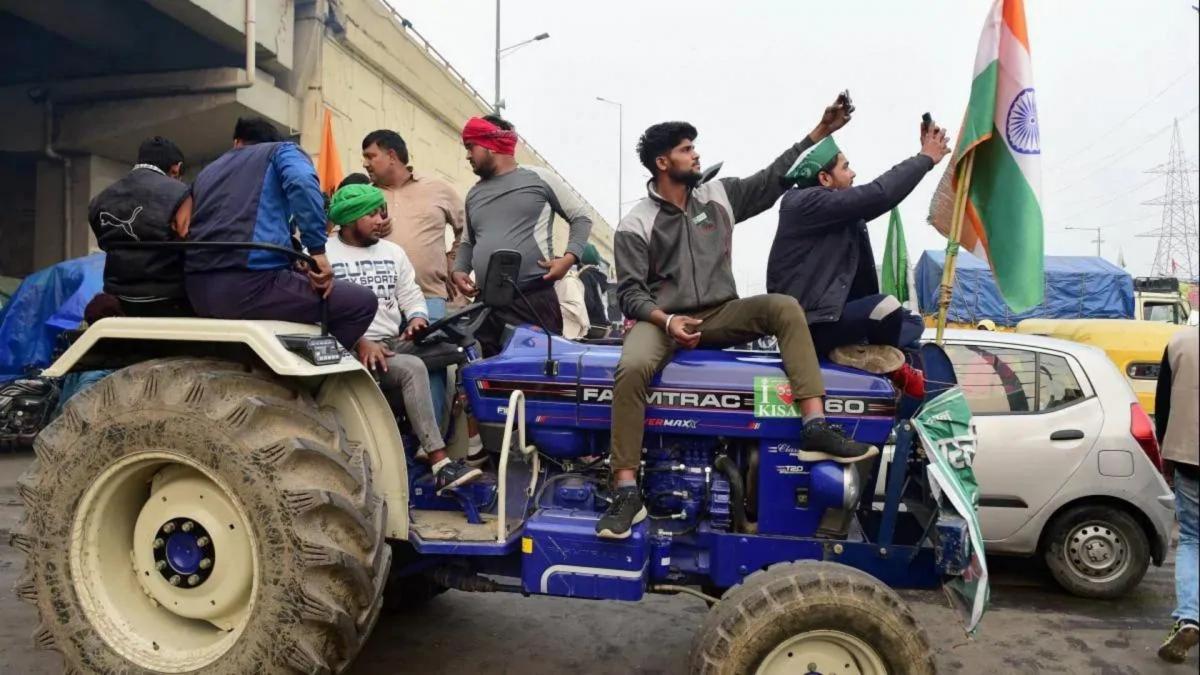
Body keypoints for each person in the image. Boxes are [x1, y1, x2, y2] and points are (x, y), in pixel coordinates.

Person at [597, 97, 879, 540]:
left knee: (782, 306)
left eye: (694, 147)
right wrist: (667, 321)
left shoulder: (719, 196)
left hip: (721, 313)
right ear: (662, 162)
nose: (696, 154)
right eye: (687, 149)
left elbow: (775, 178)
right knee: (631, 367)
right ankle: (626, 488)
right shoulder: (635, 223)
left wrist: (820, 131)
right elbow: (630, 293)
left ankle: (815, 426)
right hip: (663, 322)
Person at [765, 119, 952, 398]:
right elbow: (880, 194)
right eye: (845, 167)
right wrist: (924, 158)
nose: (853, 173)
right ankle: (885, 366)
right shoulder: (803, 203)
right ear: (824, 179)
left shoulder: (837, 213)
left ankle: (864, 354)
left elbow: (877, 196)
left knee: (914, 322)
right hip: (811, 326)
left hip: (837, 318)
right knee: (886, 307)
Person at [325, 183, 481, 492]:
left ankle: (475, 440)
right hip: (349, 351)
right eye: (371, 213)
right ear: (350, 217)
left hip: (392, 343)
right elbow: (315, 314)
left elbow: (411, 295)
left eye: (381, 211)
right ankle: (439, 462)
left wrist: (417, 319)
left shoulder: (393, 252)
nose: (381, 219)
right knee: (412, 368)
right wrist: (358, 342)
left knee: (468, 346)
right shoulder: (323, 254)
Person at [184, 117, 376, 350]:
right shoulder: (282, 151)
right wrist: (316, 251)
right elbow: (303, 183)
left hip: (196, 290)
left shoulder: (208, 171)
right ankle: (312, 381)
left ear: (237, 143)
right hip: (251, 285)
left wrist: (293, 256)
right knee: (361, 303)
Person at [451, 115, 592, 356]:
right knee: (488, 380)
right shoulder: (473, 194)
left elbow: (582, 217)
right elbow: (468, 242)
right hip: (486, 304)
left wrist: (568, 259)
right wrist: (459, 270)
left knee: (535, 377)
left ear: (490, 145)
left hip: (532, 299)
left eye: (470, 147)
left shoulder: (540, 178)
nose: (467, 156)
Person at [362, 130, 464, 431]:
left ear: (391, 155)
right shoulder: (368, 196)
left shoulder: (437, 189)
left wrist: (453, 263)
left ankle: (432, 448)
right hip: (379, 304)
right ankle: (393, 442)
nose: (366, 163)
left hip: (429, 296)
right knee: (383, 369)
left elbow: (466, 230)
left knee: (431, 370)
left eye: (371, 156)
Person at [87, 136, 194, 317]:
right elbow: (188, 234)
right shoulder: (180, 192)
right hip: (168, 299)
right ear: (176, 168)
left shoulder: (101, 198)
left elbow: (102, 240)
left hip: (118, 298)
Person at [1156, 327, 1199, 664]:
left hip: (1189, 457)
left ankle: (1189, 617)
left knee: (1192, 541)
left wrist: (1166, 455)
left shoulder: (1179, 344)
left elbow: (1163, 406)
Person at [577, 243, 611, 339]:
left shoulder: (584, 275)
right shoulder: (601, 278)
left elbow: (588, 303)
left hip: (591, 327)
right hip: (603, 326)